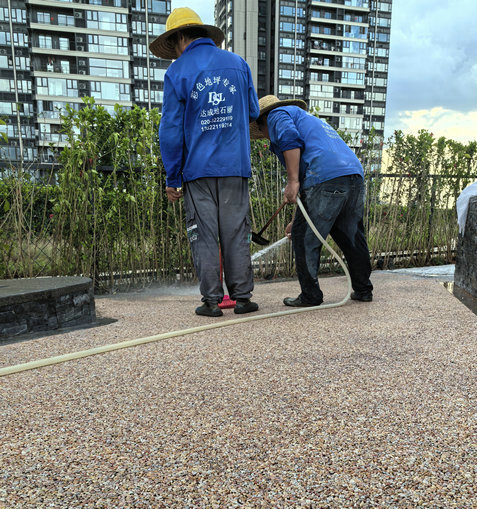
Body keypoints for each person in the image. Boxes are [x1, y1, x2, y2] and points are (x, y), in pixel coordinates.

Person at [150, 8, 260, 317]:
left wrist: (173, 177)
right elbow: (252, 111)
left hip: (197, 171)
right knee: (237, 232)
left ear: (180, 39)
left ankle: (212, 301)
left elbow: (170, 130)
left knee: (204, 234)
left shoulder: (176, 72)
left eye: (173, 46)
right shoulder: (238, 64)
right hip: (235, 168)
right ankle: (242, 299)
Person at [250, 95, 374, 307]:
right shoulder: (309, 120)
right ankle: (363, 290)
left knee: (303, 238)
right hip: (353, 175)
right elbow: (313, 197)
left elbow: (289, 138)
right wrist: (297, 219)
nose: (265, 136)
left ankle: (311, 295)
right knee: (351, 236)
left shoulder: (277, 115)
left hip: (324, 177)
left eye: (261, 131)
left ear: (263, 122)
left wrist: (292, 181)